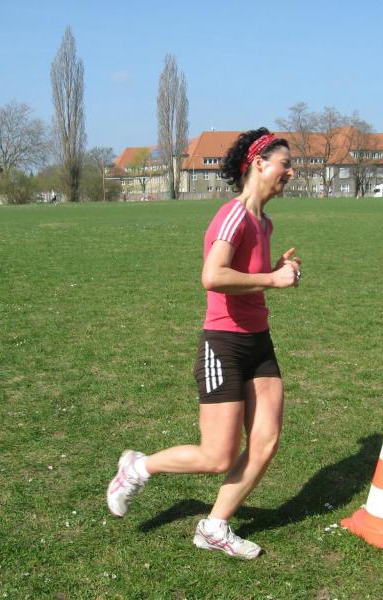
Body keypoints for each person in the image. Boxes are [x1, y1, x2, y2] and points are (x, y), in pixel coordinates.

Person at [106, 128, 301, 560]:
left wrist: (276, 271)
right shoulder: (234, 215)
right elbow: (213, 276)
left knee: (266, 442)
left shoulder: (263, 222)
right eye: (285, 164)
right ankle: (138, 467)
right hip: (224, 345)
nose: (291, 172)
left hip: (259, 342)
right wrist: (272, 279)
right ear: (259, 164)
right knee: (218, 456)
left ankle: (214, 527)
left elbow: (244, 278)